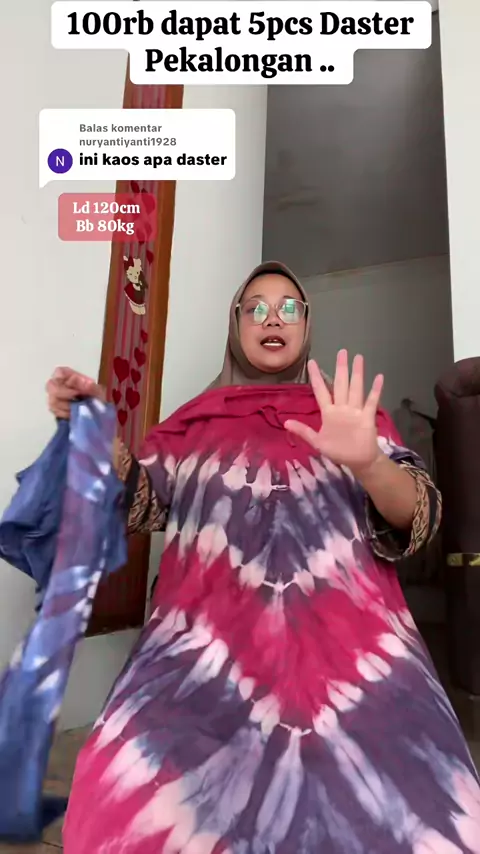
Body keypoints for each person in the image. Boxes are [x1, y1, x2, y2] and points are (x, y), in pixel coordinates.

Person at [47, 262, 480, 853]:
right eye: (255, 307)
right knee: (125, 798)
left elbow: (420, 520)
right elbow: (140, 506)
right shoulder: (191, 425)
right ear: (236, 325)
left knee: (422, 806)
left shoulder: (351, 416)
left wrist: (369, 462)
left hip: (357, 652)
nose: (272, 318)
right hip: (201, 650)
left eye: (288, 307)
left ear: (306, 325)